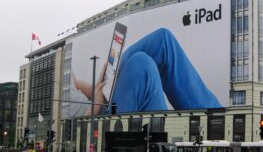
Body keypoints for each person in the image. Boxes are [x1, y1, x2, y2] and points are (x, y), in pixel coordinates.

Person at [73, 28, 222, 114]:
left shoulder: (67, 80)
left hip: (102, 99)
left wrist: (101, 82)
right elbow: (76, 128)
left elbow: (79, 87)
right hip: (97, 116)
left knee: (163, 40)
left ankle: (215, 118)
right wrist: (97, 103)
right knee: (141, 64)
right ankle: (214, 121)